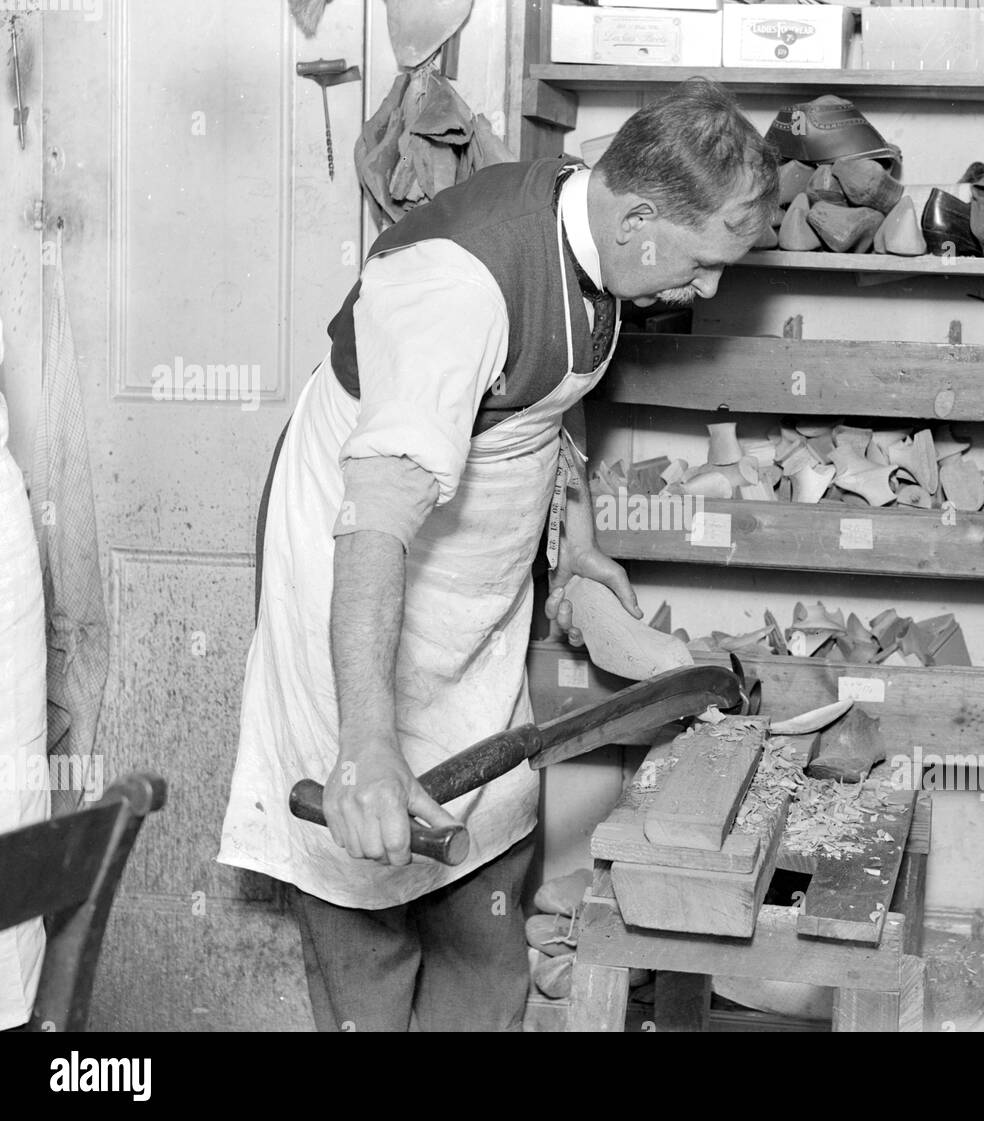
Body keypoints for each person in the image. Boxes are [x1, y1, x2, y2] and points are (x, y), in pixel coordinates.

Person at [217, 78, 777, 1032]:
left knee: (484, 913)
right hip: (364, 587)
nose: (712, 289)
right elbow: (374, 525)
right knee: (369, 905)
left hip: (472, 603)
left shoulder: (597, 232)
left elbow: (553, 386)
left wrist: (579, 540)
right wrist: (363, 750)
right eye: (704, 261)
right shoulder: (455, 288)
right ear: (640, 214)